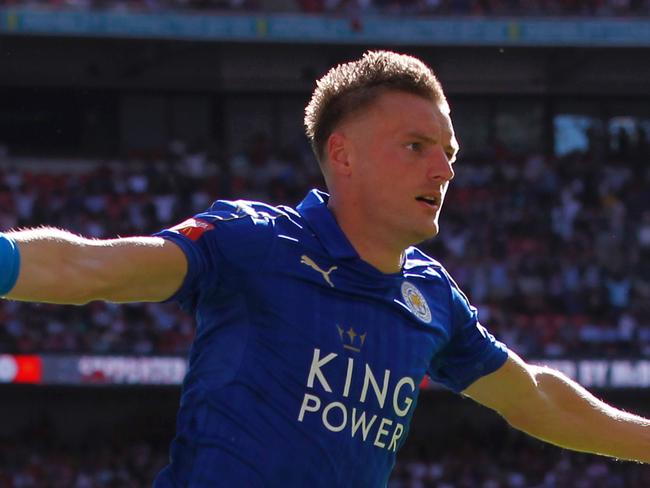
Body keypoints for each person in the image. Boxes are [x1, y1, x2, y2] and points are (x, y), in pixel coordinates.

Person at [0, 50, 648, 487]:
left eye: (449, 152)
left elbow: (535, 397)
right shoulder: (254, 243)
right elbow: (93, 269)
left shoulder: (434, 298)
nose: (444, 170)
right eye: (416, 147)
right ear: (343, 155)